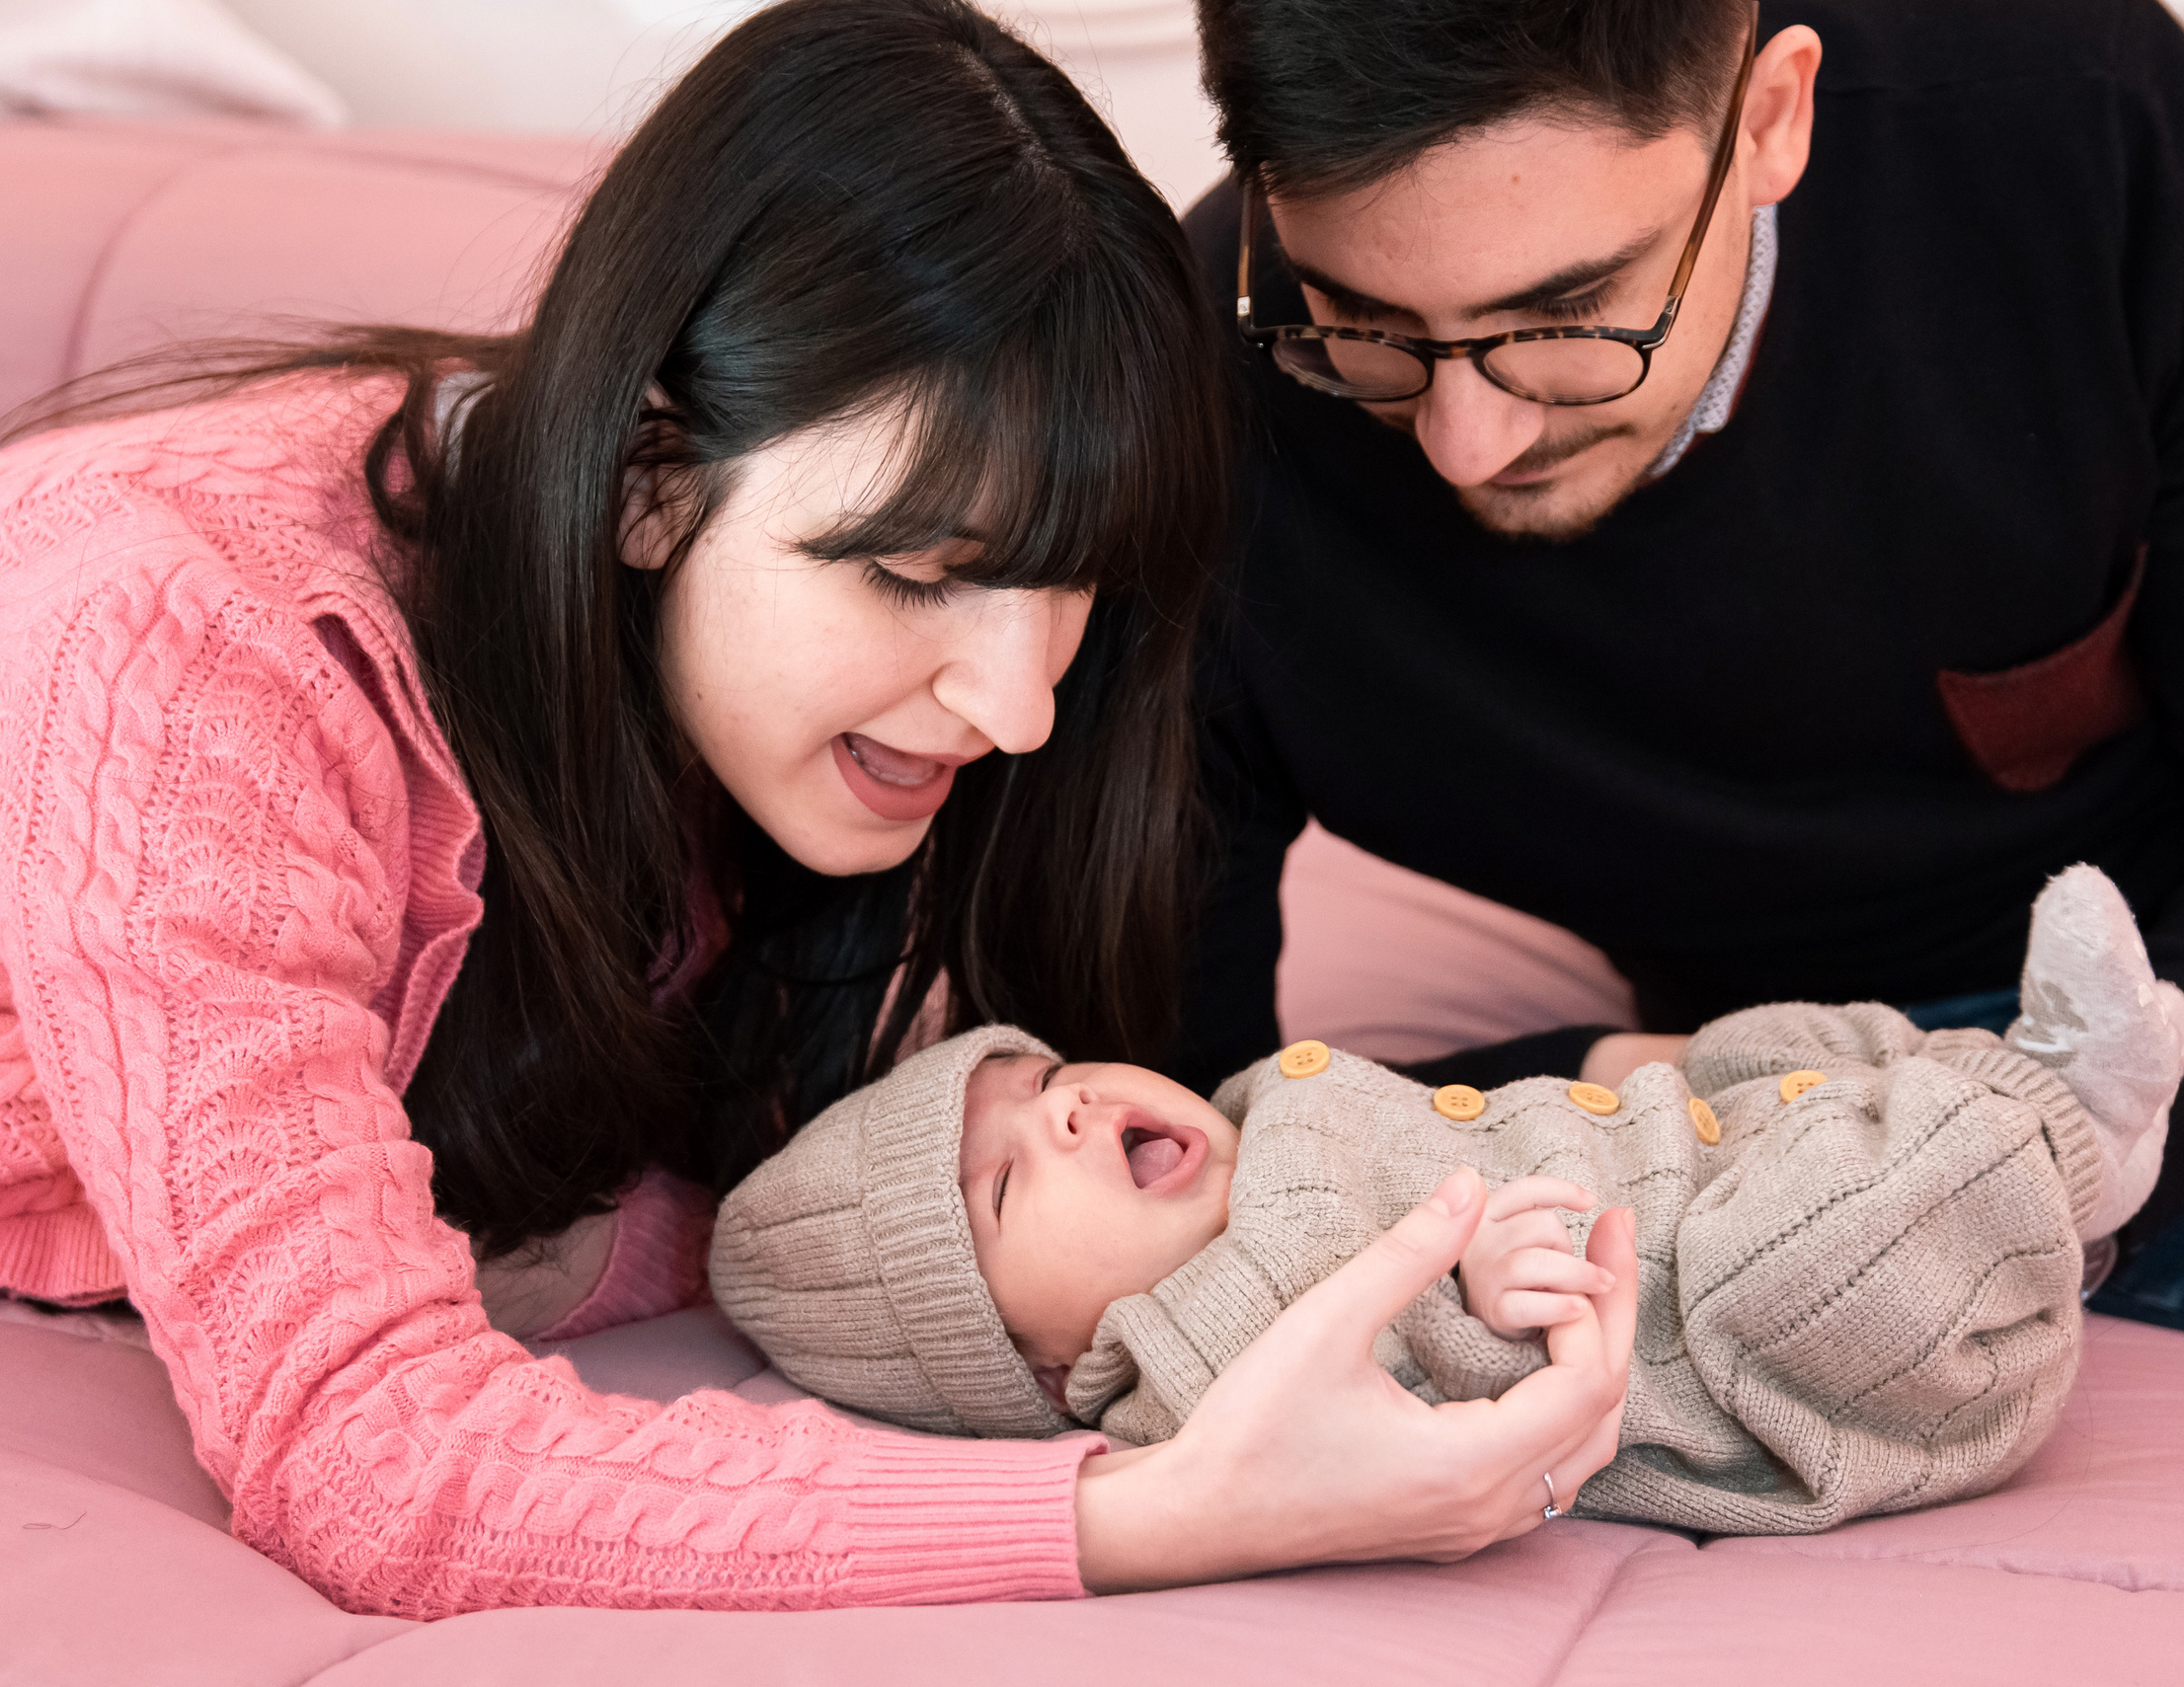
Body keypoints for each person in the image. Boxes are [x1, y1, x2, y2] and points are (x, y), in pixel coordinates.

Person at [0, 0, 1637, 1616]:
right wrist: (1166, 1507)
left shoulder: (717, 672)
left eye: (1066, 583)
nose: (1020, 708)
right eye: (922, 576)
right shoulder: (183, 656)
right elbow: (370, 1456)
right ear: (651, 482)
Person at [1168, 0, 2184, 1439]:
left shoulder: (2054, 100)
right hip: (1925, 1056)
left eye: (1567, 319)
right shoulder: (1196, 398)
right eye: (1365, 327)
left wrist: (2073, 1132)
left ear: (1770, 119)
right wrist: (1580, 1087)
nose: (1468, 442)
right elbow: (1186, 1128)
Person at [713, 865, 2184, 1531]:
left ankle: (2006, 1087)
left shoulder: (1249, 1111)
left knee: (1773, 1048)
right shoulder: (1193, 1359)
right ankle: (2057, 1133)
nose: (1072, 1107)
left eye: (1036, 1081)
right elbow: (1391, 1412)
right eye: (1009, 1177)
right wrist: (1474, 1312)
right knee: (1810, 1236)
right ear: (1032, 1362)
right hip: (1749, 1341)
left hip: (1694, 1157)